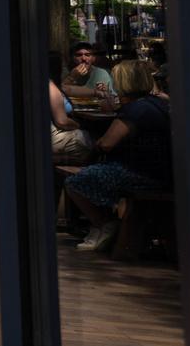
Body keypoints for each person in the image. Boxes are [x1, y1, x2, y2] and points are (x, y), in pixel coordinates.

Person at [64, 60, 173, 253]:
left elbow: (107, 143)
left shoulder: (135, 110)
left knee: (75, 181)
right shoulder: (157, 103)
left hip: (142, 174)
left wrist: (96, 145)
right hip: (160, 170)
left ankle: (104, 224)